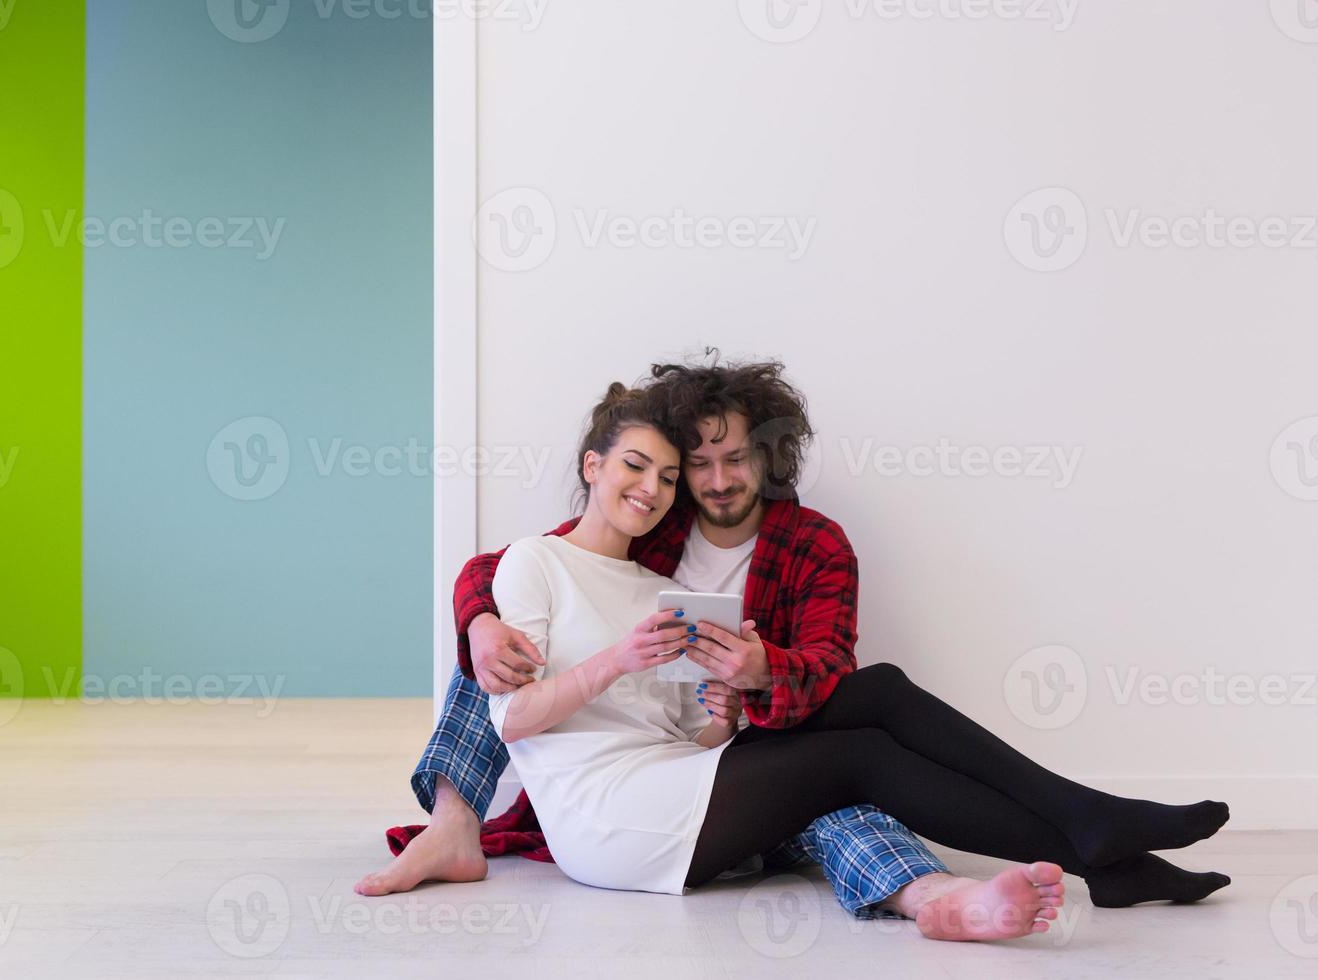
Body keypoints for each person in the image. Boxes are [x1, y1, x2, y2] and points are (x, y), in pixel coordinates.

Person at [358, 359, 1231, 938]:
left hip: (739, 748)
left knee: (872, 709)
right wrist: (477, 621)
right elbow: (506, 572)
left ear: (769, 459)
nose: (703, 482)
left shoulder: (814, 544)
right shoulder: (640, 543)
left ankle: (1084, 843)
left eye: (728, 460)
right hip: (643, 799)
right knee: (499, 656)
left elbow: (818, 676)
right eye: (684, 465)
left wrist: (751, 682)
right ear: (606, 466)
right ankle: (1093, 833)